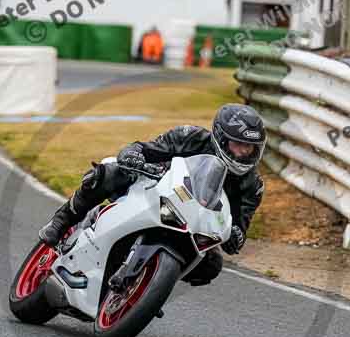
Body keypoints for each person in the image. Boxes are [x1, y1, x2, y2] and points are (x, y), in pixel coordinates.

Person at [38, 104, 266, 286]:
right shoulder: (189, 136)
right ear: (221, 138)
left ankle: (150, 281)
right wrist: (133, 155)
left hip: (193, 226)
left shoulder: (252, 186)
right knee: (108, 173)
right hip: (154, 191)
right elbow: (145, 149)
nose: (244, 153)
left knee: (212, 265)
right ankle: (61, 221)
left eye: (250, 148)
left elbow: (238, 231)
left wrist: (235, 236)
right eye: (239, 145)